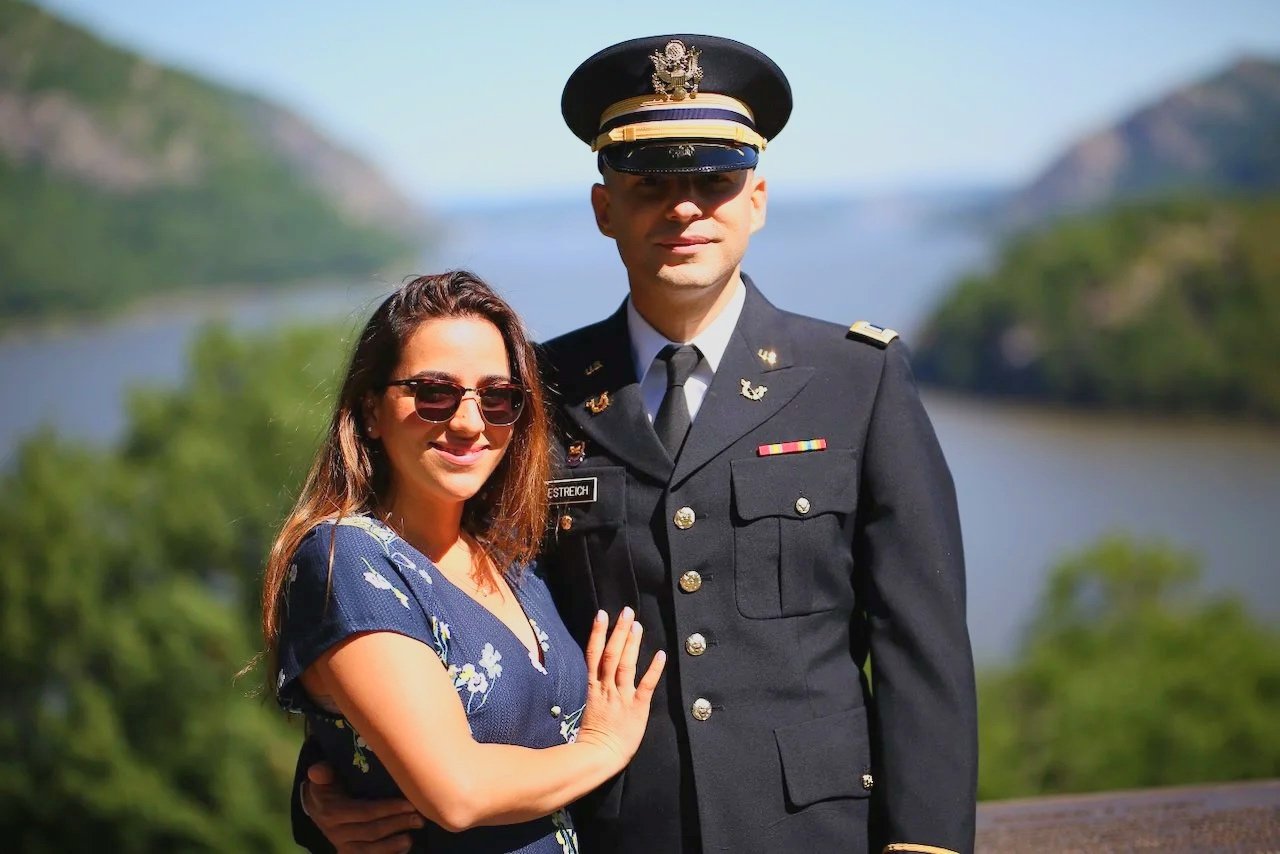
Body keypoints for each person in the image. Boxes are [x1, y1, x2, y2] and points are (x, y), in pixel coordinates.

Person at [298, 36, 977, 854]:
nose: (683, 207)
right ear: (603, 208)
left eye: (713, 181)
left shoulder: (854, 379)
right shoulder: (530, 395)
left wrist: (927, 845)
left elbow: (921, 643)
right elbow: (442, 592)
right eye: (650, 182)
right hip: (614, 831)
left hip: (814, 832)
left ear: (756, 198)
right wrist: (334, 784)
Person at [262, 271, 665, 853]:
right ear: (371, 410)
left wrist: (321, 788)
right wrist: (601, 747)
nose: (470, 422)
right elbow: (456, 792)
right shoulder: (346, 561)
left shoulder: (511, 554)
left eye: (498, 397)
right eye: (434, 393)